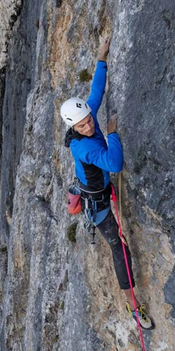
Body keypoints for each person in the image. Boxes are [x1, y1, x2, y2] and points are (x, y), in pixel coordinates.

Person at [60, 34, 154, 329]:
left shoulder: (86, 116)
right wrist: (111, 133)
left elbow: (97, 91)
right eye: (83, 124)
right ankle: (133, 305)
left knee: (121, 244)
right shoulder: (84, 146)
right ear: (73, 128)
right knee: (119, 247)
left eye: (89, 120)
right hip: (97, 205)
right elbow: (114, 163)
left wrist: (102, 55)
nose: (89, 125)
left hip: (102, 190)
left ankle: (133, 304)